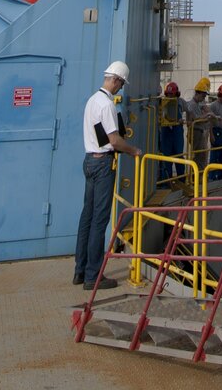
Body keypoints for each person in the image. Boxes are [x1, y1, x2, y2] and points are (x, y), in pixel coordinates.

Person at [75, 60, 140, 291]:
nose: (121, 88)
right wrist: (134, 151)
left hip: (89, 161)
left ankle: (80, 271)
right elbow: (113, 140)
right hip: (103, 165)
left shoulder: (92, 101)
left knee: (87, 217)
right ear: (116, 80)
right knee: (99, 220)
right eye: (121, 83)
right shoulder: (107, 105)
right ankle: (94, 276)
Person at [157, 81, 185, 166]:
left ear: (177, 93)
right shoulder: (162, 102)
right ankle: (166, 177)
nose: (170, 96)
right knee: (166, 156)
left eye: (172, 94)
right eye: (168, 94)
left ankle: (181, 178)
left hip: (177, 132)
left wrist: (186, 120)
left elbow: (189, 110)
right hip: (166, 132)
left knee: (179, 155)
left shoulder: (181, 102)